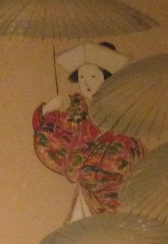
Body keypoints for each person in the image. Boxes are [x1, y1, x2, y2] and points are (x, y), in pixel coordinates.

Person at [32, 41, 145, 220]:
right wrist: (49, 108)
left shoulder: (121, 112)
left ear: (106, 78)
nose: (87, 83)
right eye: (82, 77)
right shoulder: (74, 110)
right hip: (87, 195)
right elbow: (48, 136)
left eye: (93, 76)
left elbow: (135, 155)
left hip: (121, 193)